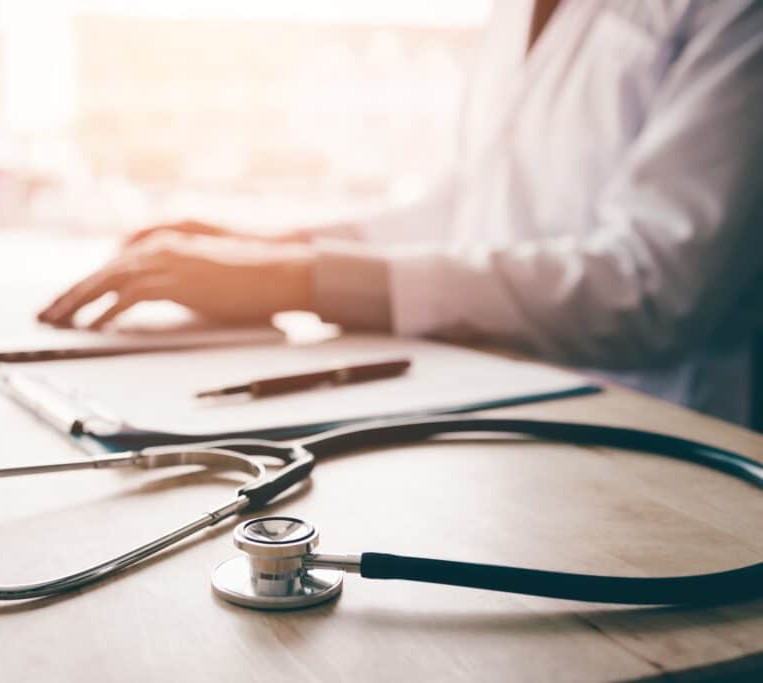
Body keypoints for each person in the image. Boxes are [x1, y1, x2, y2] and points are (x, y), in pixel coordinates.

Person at [39, 0, 763, 426]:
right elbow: (468, 203)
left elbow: (652, 286)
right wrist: (269, 247)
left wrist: (299, 280)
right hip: (494, 415)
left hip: (656, 433)